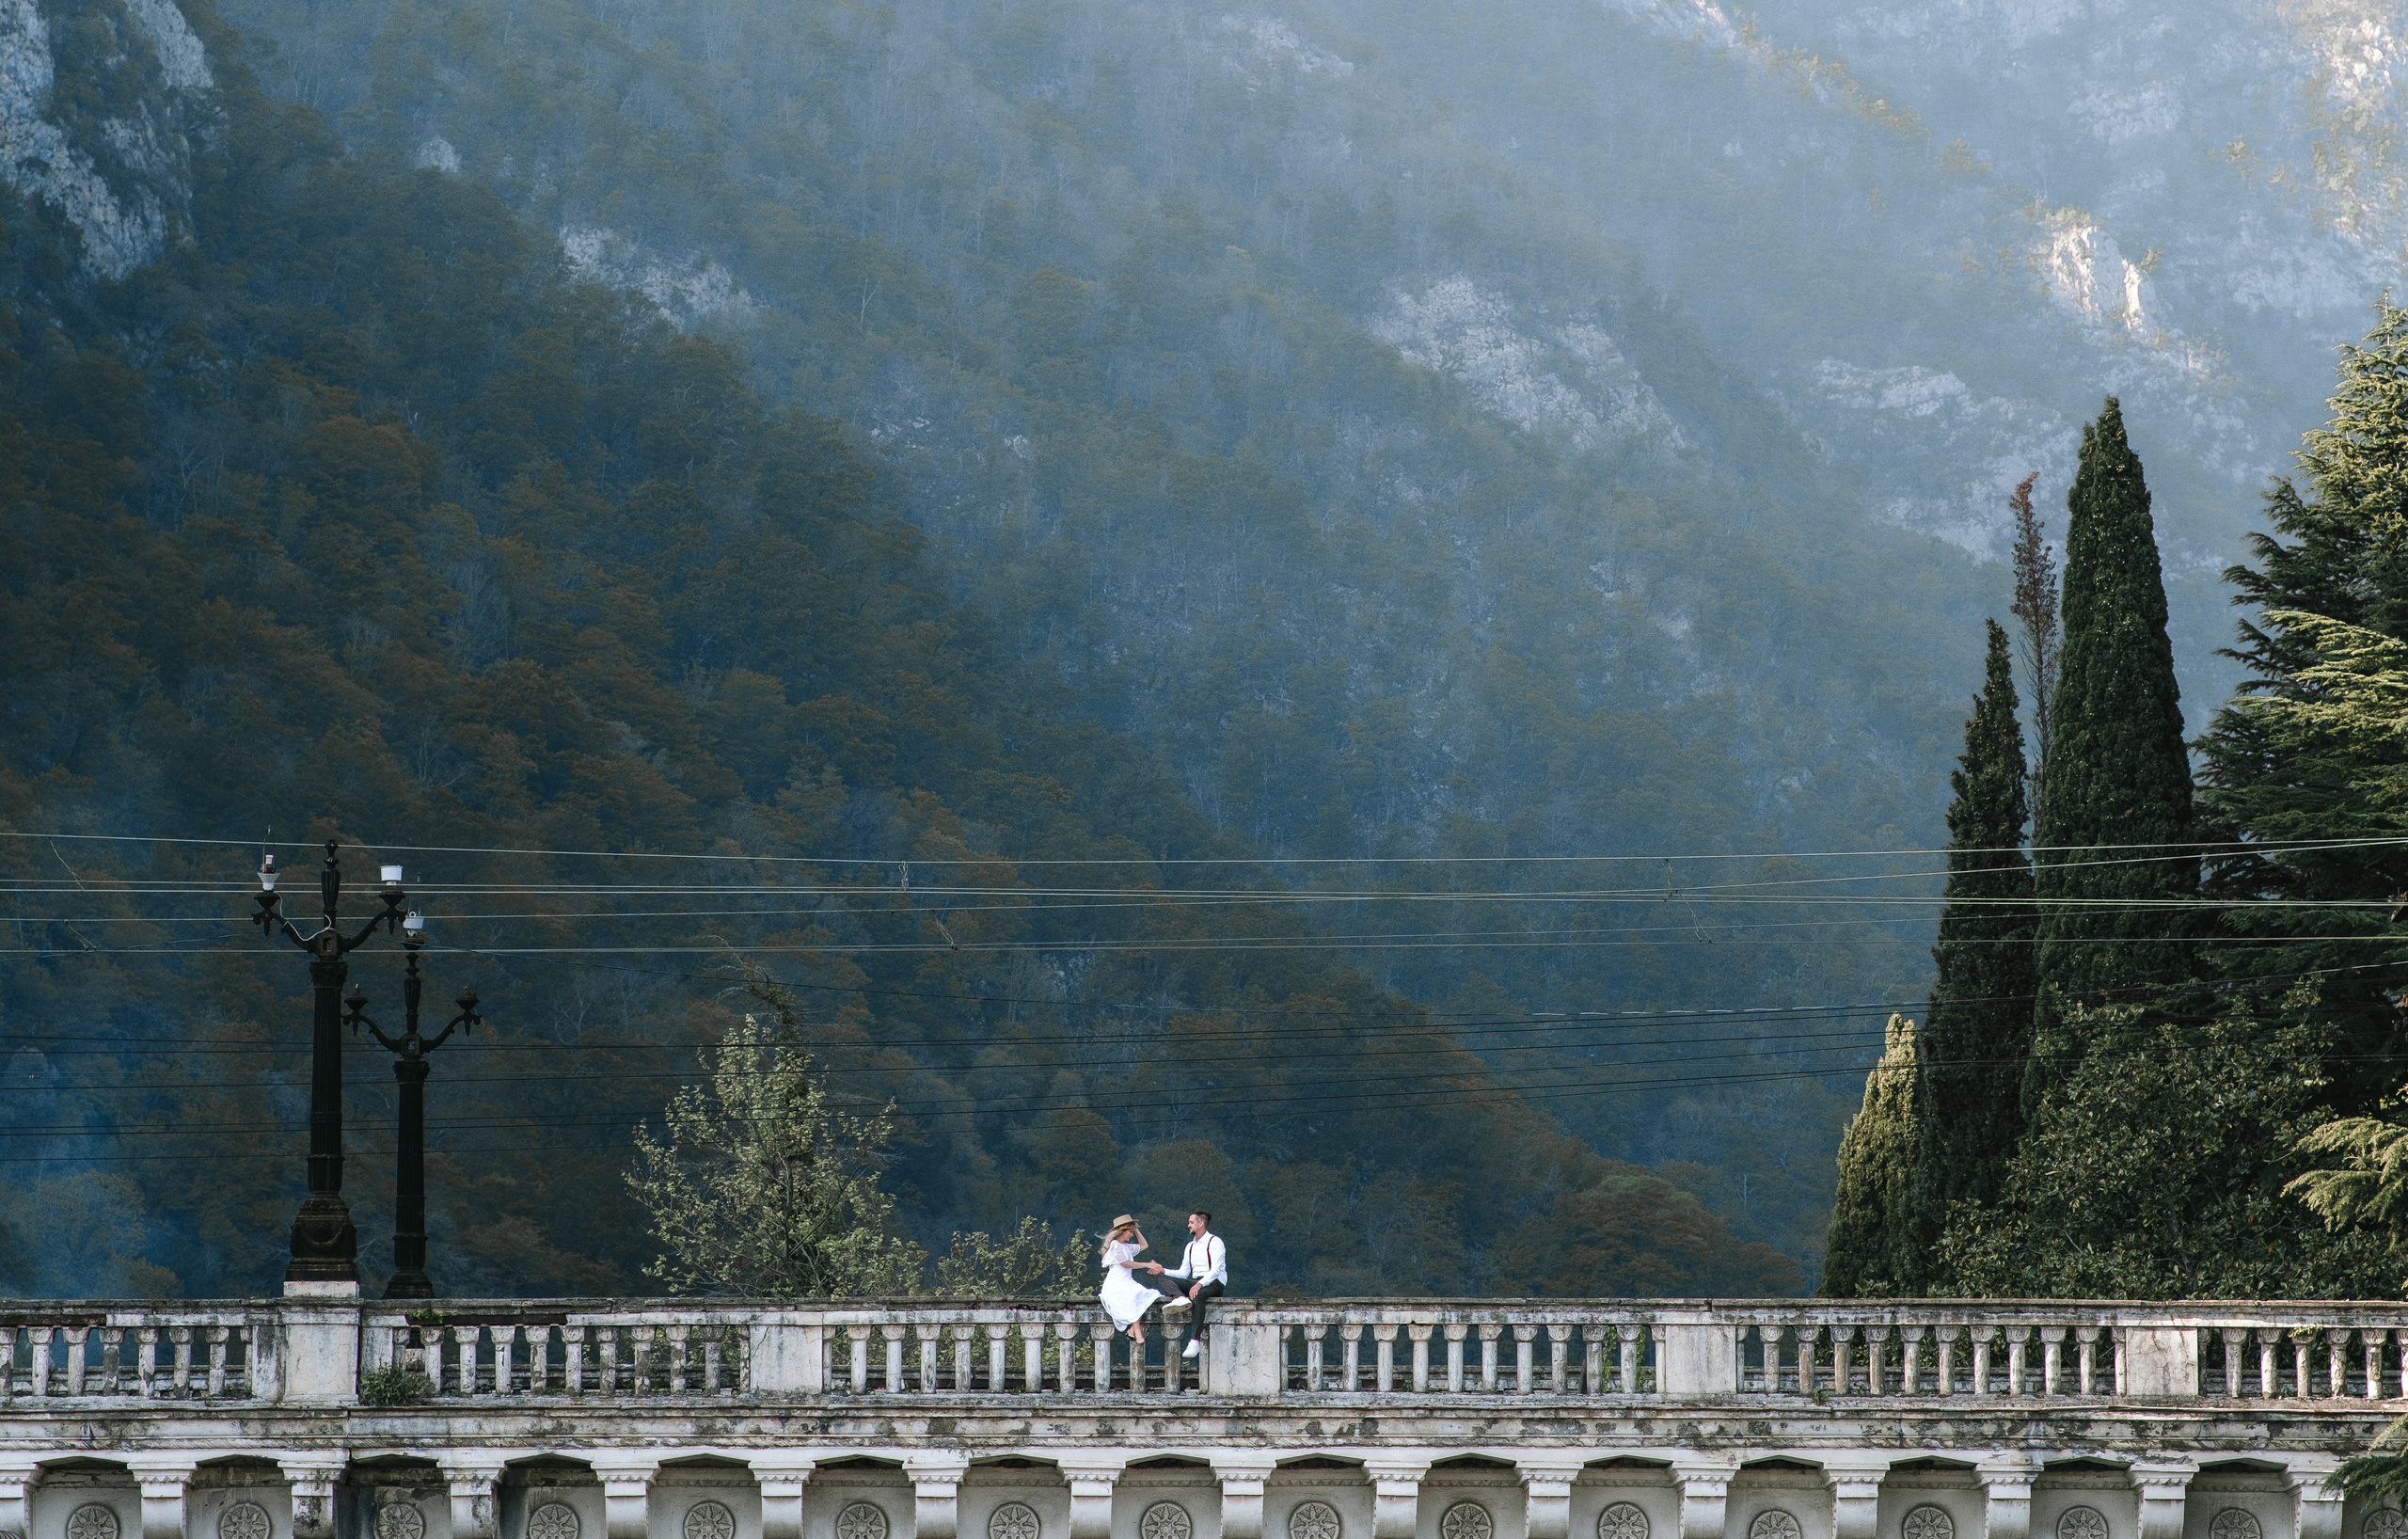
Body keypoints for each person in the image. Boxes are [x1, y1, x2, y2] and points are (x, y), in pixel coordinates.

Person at [1142, 1210, 1227, 1361]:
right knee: (1162, 1277)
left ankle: (1194, 1341)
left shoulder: (1215, 1242)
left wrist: (1199, 1285)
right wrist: (1163, 1270)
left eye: (1191, 1222)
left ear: (1201, 1223)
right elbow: (1183, 1272)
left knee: (1198, 1295)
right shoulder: (1190, 1246)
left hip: (1214, 1282)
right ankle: (1180, 1298)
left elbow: (1216, 1270)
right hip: (1195, 1281)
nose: (1188, 1225)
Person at [1098, 1214, 1159, 1343]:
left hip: (1127, 1281)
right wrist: (1147, 1264)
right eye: (1130, 1231)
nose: (1131, 1235)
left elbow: (1144, 1245)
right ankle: (1137, 1331)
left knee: (1141, 1294)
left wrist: (1136, 1230)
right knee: (1134, 1294)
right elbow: (1125, 1263)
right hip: (1116, 1283)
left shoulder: (1126, 1247)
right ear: (1123, 1230)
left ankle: (1133, 1329)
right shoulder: (1115, 1245)